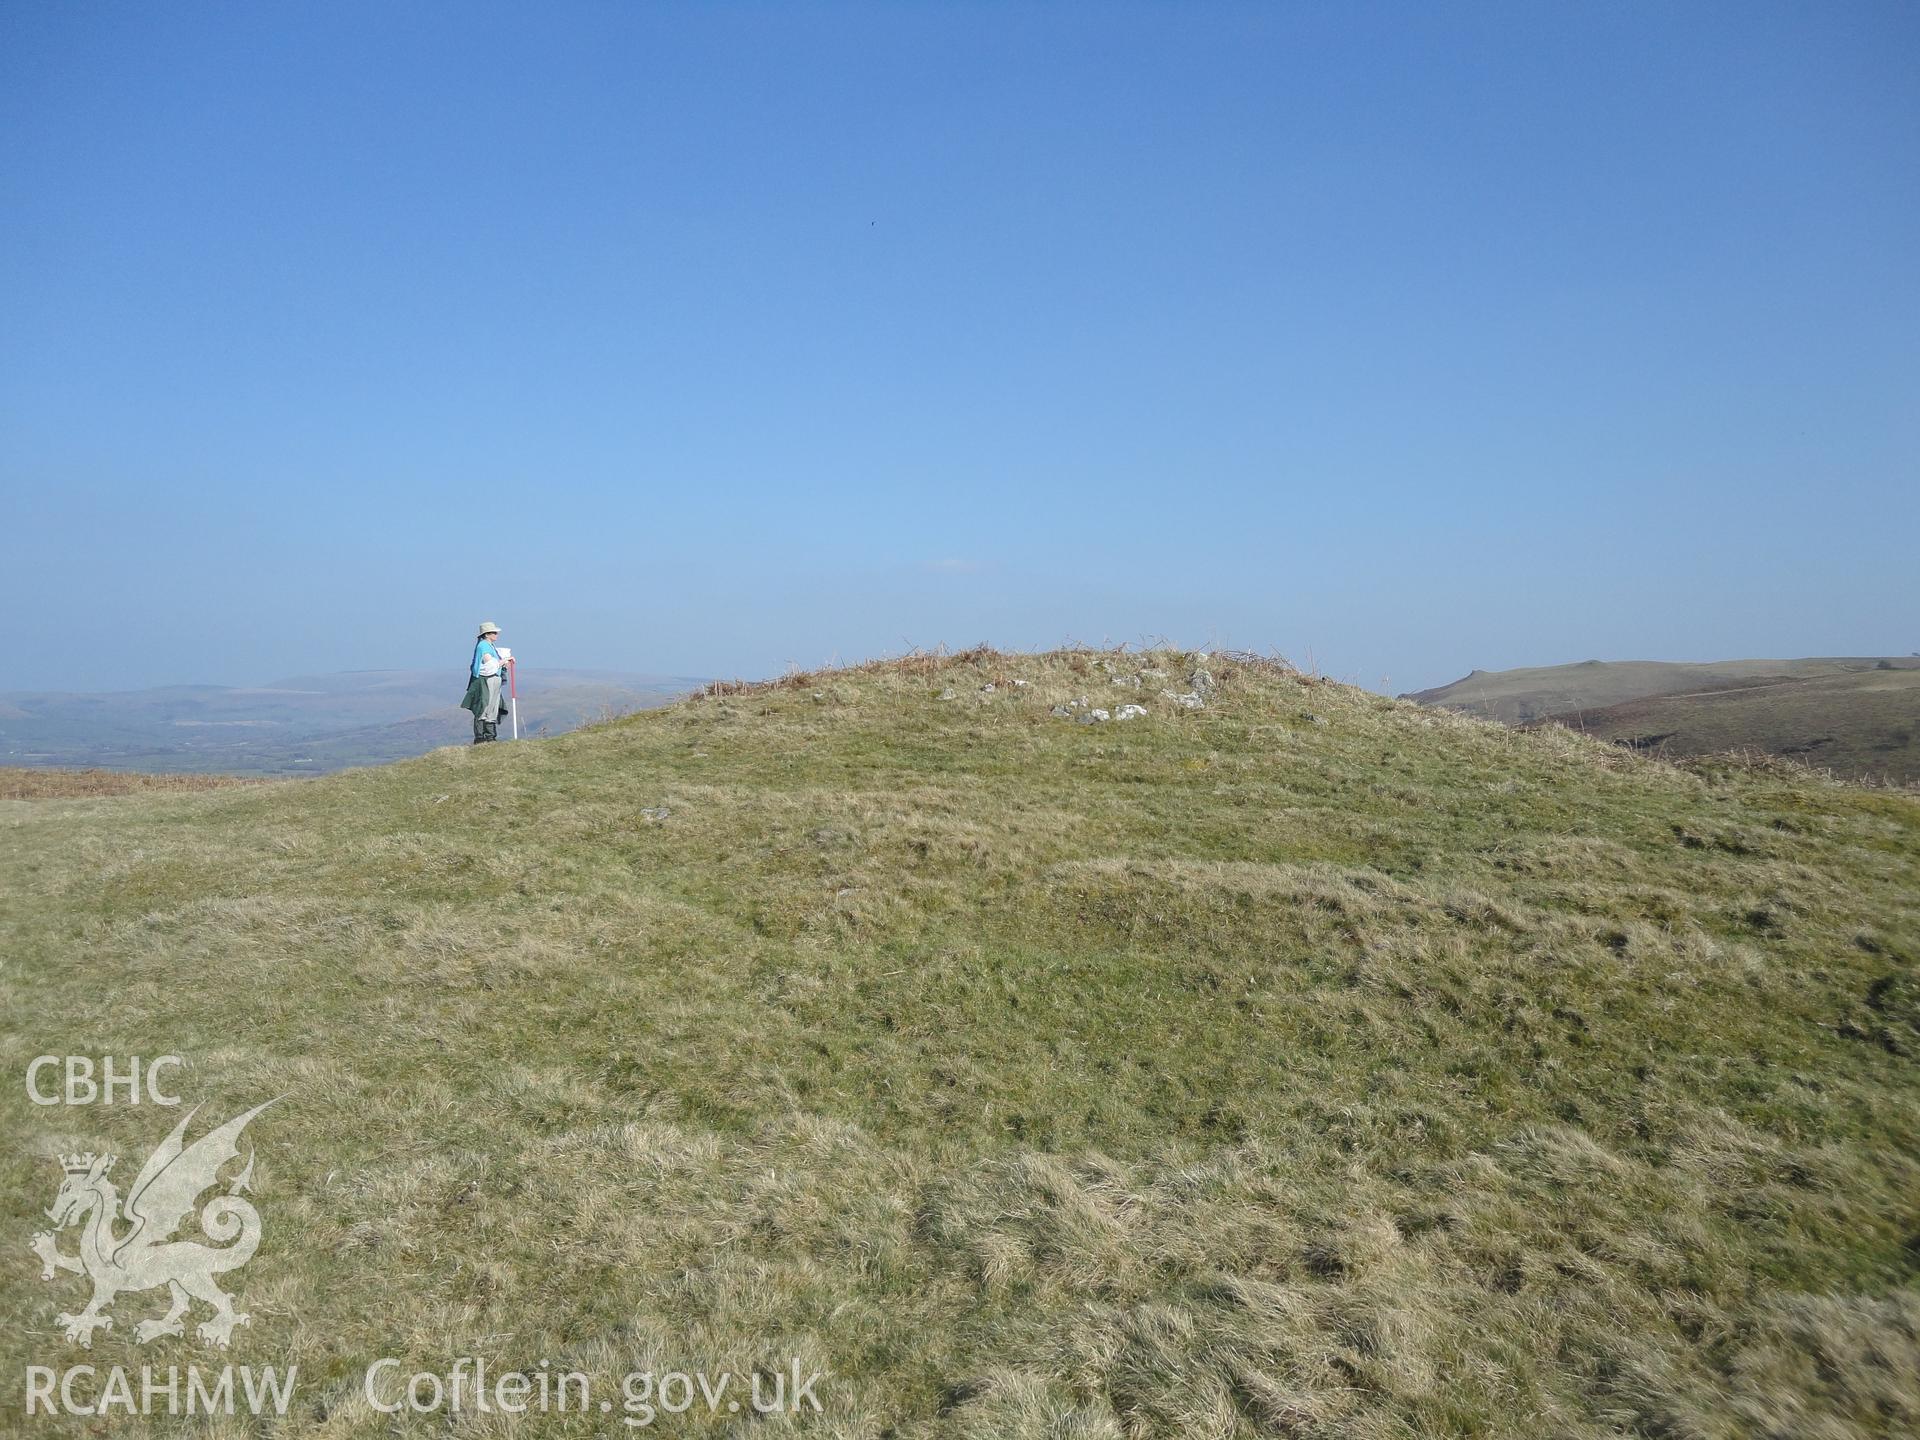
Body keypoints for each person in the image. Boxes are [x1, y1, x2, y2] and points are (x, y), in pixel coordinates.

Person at [460, 622, 510, 743]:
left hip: (494, 678)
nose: (496, 634)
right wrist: (503, 661)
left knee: (492, 706)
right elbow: (489, 665)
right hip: (486, 679)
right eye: (494, 632)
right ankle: (481, 737)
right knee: (484, 706)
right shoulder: (483, 646)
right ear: (487, 634)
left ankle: (490, 736)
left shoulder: (489, 645)